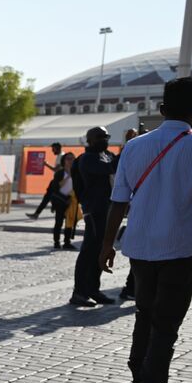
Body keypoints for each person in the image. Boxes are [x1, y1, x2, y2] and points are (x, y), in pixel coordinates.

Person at [100, 77, 192, 383]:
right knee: (166, 324)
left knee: (144, 315)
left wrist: (105, 246)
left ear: (161, 109)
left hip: (140, 247)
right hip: (180, 247)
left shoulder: (134, 146)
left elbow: (119, 201)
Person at [69, 127, 117, 306]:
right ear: (89, 140)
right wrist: (130, 146)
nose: (104, 140)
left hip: (108, 209)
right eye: (100, 137)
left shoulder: (107, 154)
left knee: (101, 249)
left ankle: (93, 289)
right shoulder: (87, 159)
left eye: (106, 136)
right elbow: (109, 168)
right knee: (89, 251)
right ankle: (79, 292)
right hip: (94, 210)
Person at [26, 142, 63, 219]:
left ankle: (51, 209)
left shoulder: (61, 156)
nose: (53, 151)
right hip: (56, 180)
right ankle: (37, 213)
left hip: (59, 181)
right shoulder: (60, 156)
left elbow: (56, 169)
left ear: (57, 148)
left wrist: (46, 164)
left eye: (53, 149)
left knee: (50, 197)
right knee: (47, 197)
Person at [48, 152, 76, 250]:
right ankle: (56, 242)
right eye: (68, 158)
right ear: (64, 160)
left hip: (71, 201)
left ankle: (67, 242)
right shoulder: (60, 173)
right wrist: (68, 175)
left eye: (72, 158)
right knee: (58, 222)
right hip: (60, 201)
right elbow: (56, 187)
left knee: (69, 222)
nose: (70, 161)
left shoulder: (76, 172)